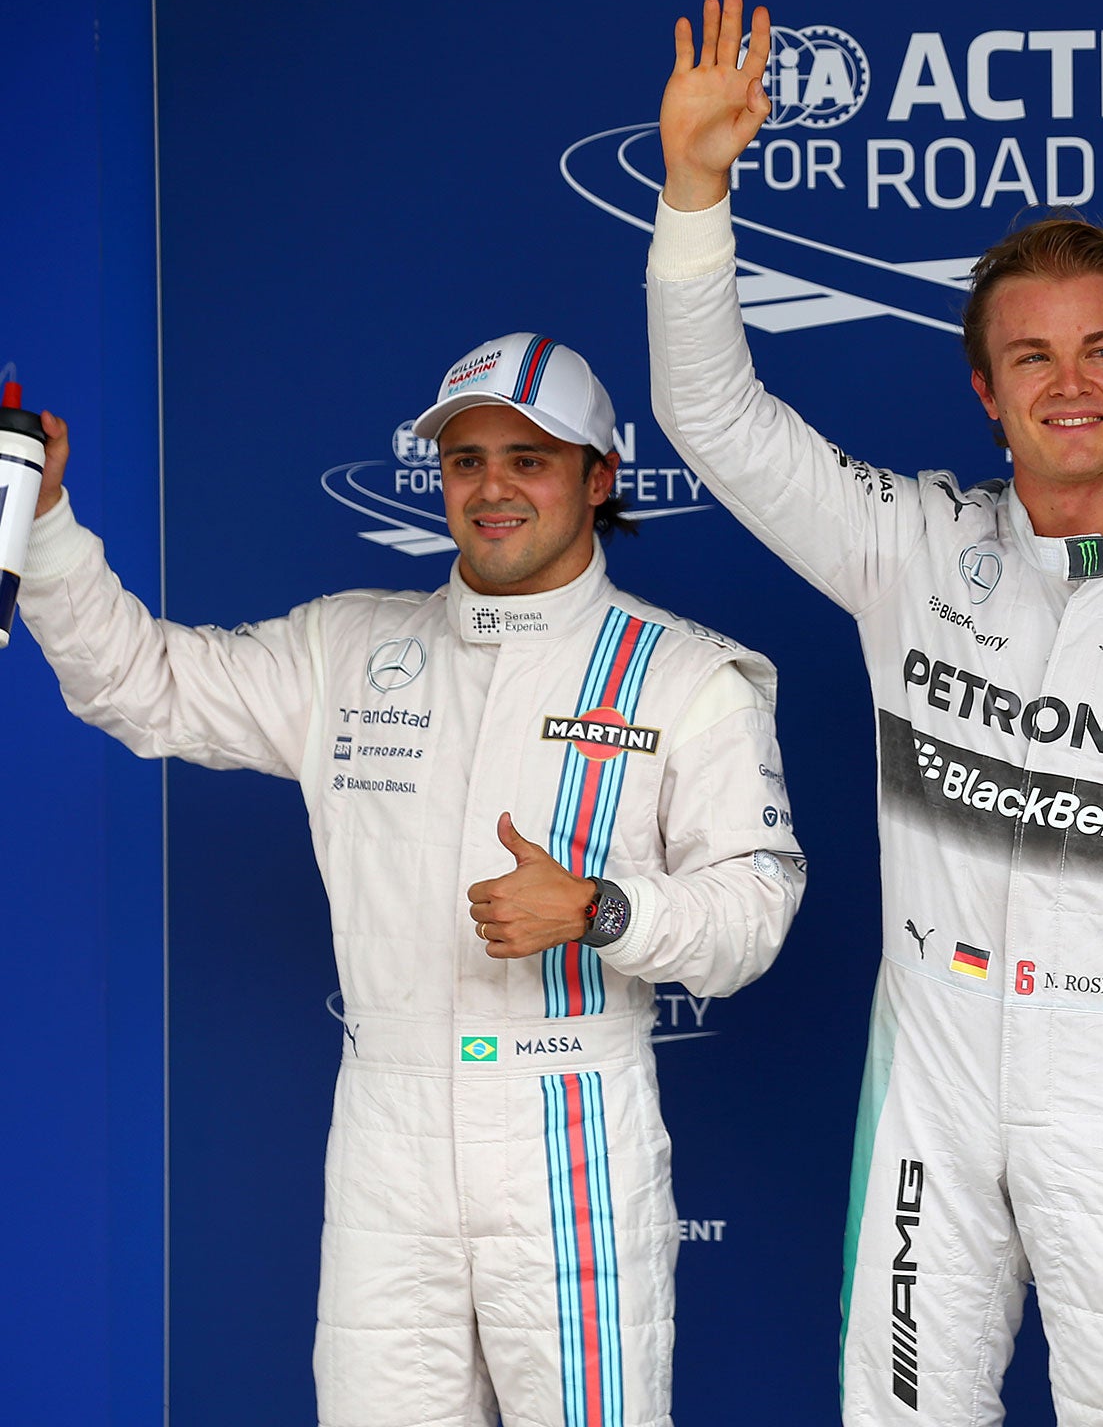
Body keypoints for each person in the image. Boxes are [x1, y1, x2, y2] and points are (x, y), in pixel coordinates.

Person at [645, 0, 1103, 1426]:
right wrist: (698, 195)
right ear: (985, 390)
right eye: (1031, 357)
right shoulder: (909, 545)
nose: (1067, 384)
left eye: (1099, 354)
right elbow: (713, 418)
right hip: (933, 1074)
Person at [20, 334, 806, 1427]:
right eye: (467, 460)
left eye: (529, 460)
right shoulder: (347, 647)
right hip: (387, 1136)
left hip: (567, 1131)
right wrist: (46, 528)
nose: (492, 488)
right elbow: (143, 684)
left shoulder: (684, 675)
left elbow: (754, 909)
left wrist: (601, 908)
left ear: (599, 476)